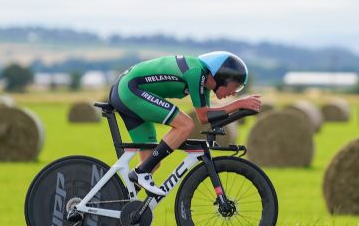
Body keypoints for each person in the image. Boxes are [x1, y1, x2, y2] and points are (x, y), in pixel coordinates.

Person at [109, 51, 261, 196]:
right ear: (223, 77)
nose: (235, 93)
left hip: (128, 90)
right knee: (185, 124)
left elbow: (207, 117)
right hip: (130, 90)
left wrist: (240, 110)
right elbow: (203, 116)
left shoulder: (203, 83)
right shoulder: (196, 73)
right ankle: (140, 173)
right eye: (236, 86)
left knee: (152, 164)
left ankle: (120, 204)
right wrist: (238, 104)